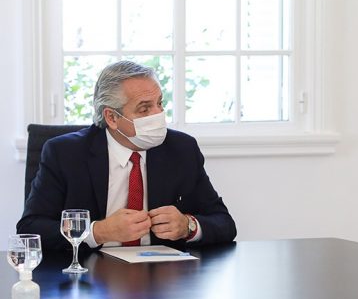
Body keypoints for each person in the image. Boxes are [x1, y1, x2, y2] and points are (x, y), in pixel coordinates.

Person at [18, 61, 236, 251]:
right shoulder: (65, 153)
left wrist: (188, 226)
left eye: (159, 103)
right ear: (111, 117)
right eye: (144, 109)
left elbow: (224, 223)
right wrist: (99, 231)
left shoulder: (181, 149)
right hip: (91, 276)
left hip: (163, 278)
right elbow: (31, 228)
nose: (158, 115)